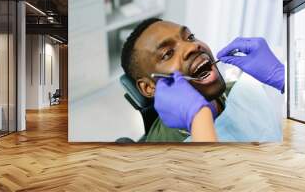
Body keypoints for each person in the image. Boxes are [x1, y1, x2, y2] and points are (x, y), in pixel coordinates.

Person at [121, 18, 284, 142]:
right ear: (149, 87)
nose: (193, 47)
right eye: (167, 54)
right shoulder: (160, 155)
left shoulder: (247, 90)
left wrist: (283, 78)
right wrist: (198, 117)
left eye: (190, 37)